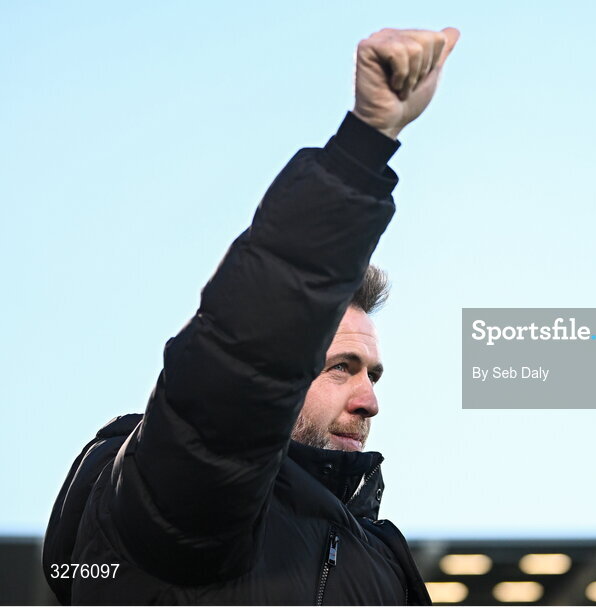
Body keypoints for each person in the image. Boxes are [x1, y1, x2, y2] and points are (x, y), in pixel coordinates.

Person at [42, 26, 459, 605]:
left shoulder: (379, 556)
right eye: (340, 367)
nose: (369, 400)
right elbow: (246, 357)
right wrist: (365, 146)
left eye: (372, 373)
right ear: (283, 374)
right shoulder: (187, 506)